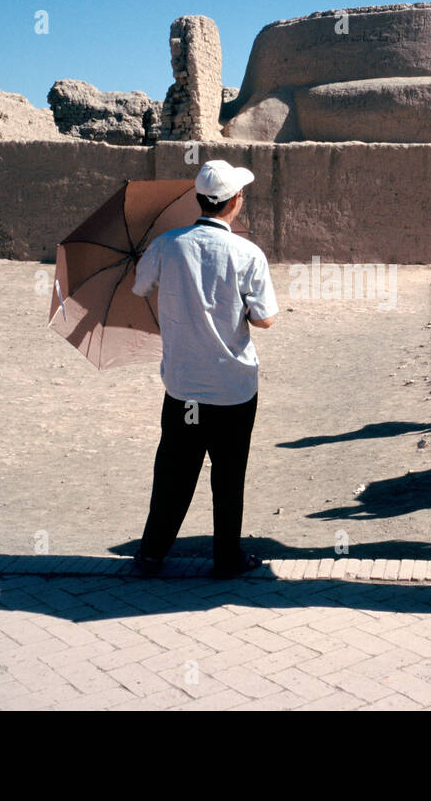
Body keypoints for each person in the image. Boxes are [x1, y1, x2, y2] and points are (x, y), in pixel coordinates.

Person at [130, 159, 278, 578]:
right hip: (233, 388)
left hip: (184, 388)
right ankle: (226, 558)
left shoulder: (167, 245)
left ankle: (151, 554)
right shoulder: (249, 254)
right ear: (234, 202)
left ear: (199, 200)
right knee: (228, 477)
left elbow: (141, 287)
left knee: (174, 473)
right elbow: (265, 319)